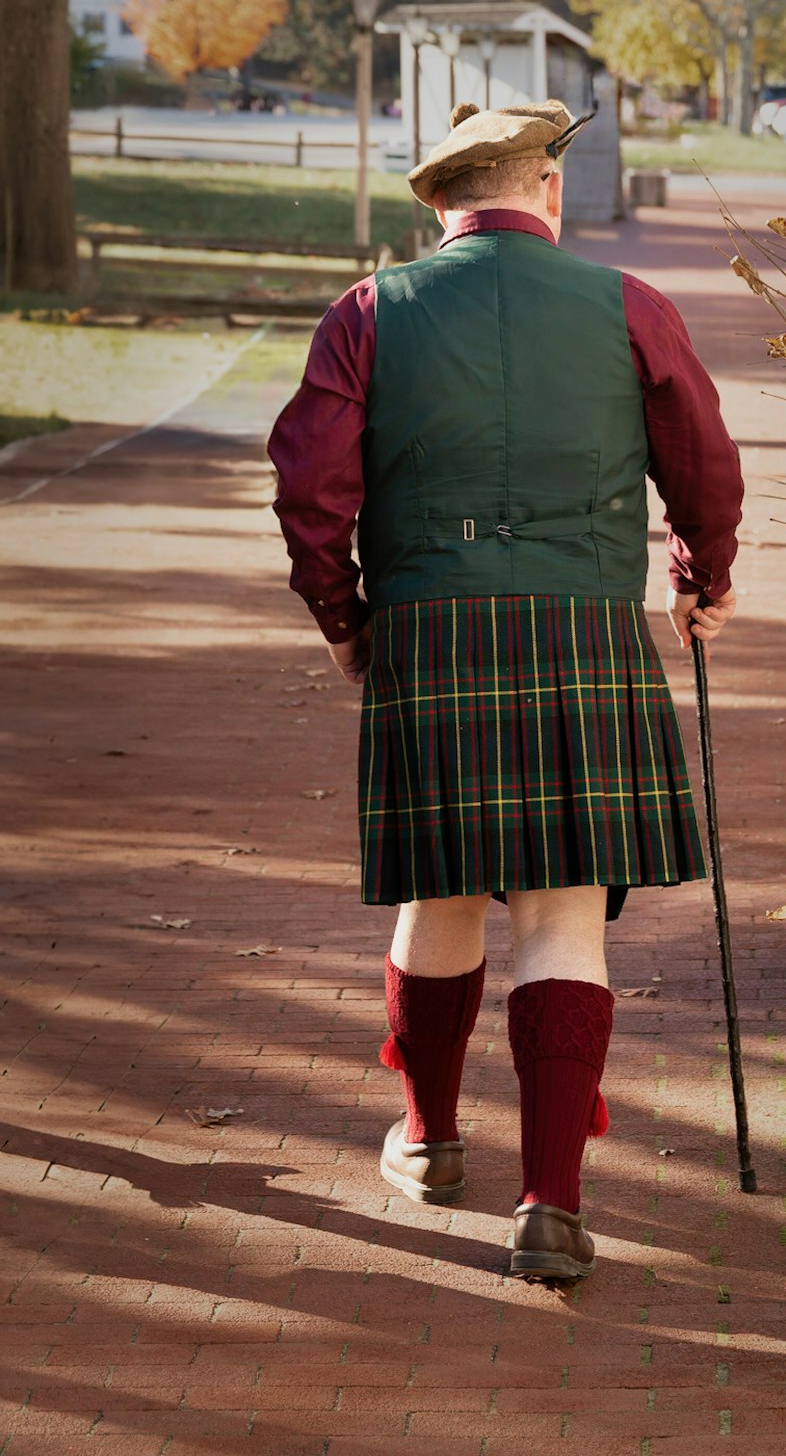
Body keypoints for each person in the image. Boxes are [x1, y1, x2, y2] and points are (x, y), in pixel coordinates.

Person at [268, 98, 741, 1280]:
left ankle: (428, 1142)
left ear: (439, 207)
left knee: (439, 896)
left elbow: (309, 492)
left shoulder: (368, 312)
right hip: (583, 626)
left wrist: (346, 621)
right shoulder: (628, 305)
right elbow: (705, 465)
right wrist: (700, 579)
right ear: (546, 188)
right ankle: (550, 1206)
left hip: (428, 630)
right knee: (562, 912)